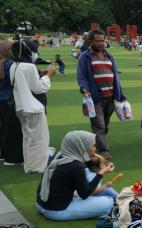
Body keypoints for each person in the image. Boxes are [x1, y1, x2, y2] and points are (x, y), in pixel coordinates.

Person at [36, 131, 115, 221]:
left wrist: (101, 168)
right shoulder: (75, 165)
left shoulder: (62, 155)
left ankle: (126, 201)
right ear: (82, 147)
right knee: (108, 202)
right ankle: (124, 205)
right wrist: (101, 173)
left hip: (41, 204)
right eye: (92, 146)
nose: (95, 149)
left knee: (108, 190)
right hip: (56, 210)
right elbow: (85, 194)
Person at [77, 29, 126, 160]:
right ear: (91, 41)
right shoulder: (85, 57)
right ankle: (103, 150)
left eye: (102, 40)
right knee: (99, 124)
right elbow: (82, 76)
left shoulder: (109, 56)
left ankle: (98, 142)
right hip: (95, 97)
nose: (100, 43)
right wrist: (84, 88)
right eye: (97, 41)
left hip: (110, 96)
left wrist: (120, 93)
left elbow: (115, 76)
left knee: (105, 123)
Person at [10, 40, 56, 173]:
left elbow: (26, 83)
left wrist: (41, 75)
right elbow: (38, 88)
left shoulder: (15, 65)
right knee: (40, 138)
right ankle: (39, 167)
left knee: (28, 137)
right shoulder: (28, 66)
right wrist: (48, 76)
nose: (36, 53)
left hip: (20, 106)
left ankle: (30, 165)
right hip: (33, 107)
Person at [0, 41, 23, 166]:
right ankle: (11, 157)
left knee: (4, 128)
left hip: (2, 99)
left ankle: (3, 154)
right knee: (11, 130)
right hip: (7, 100)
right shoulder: (8, 64)